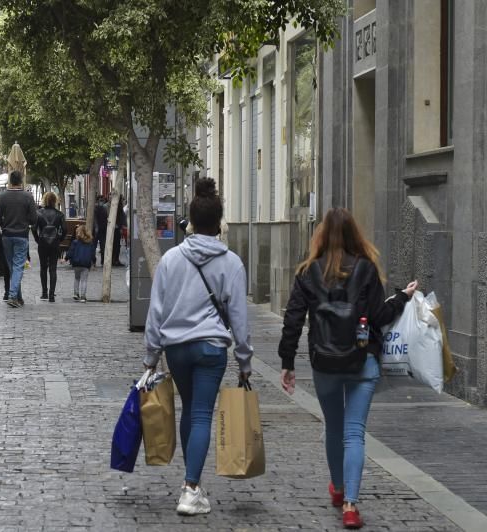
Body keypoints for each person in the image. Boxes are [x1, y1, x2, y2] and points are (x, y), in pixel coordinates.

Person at [278, 207, 417, 530]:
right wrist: (402, 298)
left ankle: (338, 489)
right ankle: (351, 506)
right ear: (356, 234)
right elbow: (380, 316)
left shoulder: (308, 271)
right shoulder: (367, 269)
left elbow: (293, 320)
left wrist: (287, 363)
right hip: (362, 360)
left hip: (324, 363)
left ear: (322, 235)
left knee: (334, 427)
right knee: (354, 432)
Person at [143, 178, 253, 516]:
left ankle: (191, 483)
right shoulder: (231, 262)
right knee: (202, 412)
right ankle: (191, 488)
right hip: (210, 349)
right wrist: (244, 359)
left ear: (191, 221)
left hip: (177, 348)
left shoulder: (171, 260)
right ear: (219, 223)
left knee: (190, 408)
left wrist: (152, 356)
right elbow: (239, 317)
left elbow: (156, 311)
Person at [0, 170, 37, 308]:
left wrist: (5, 225)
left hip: (6, 235)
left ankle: (18, 297)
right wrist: (25, 223)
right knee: (18, 266)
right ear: (21, 181)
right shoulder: (28, 197)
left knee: (13, 267)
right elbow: (34, 218)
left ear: (10, 181)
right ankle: (13, 296)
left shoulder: (2, 196)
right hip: (21, 235)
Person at [32, 192, 65, 302]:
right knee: (53, 268)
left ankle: (44, 293)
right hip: (54, 243)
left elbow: (33, 228)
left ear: (44, 200)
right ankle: (51, 295)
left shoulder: (38, 213)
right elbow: (64, 230)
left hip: (42, 243)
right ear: (55, 201)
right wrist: (59, 239)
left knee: (43, 268)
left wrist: (37, 239)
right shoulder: (59, 214)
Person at [65, 225, 93, 302]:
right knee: (84, 280)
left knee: (77, 278)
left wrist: (66, 258)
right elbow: (92, 254)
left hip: (76, 263)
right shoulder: (90, 243)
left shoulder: (75, 242)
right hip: (86, 264)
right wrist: (93, 261)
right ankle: (83, 296)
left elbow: (71, 251)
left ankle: (76, 294)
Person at [111, 196, 127, 267]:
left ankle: (115, 260)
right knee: (116, 245)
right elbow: (120, 218)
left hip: (116, 228)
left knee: (116, 245)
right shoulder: (118, 207)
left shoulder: (115, 206)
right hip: (117, 229)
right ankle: (115, 260)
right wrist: (121, 226)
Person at [93, 197, 108, 266]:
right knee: (96, 246)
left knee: (102, 246)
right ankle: (95, 261)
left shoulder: (104, 209)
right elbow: (95, 219)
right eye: (100, 201)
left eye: (102, 201)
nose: (101, 202)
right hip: (98, 230)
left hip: (101, 230)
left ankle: (100, 261)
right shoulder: (97, 209)